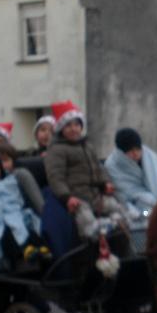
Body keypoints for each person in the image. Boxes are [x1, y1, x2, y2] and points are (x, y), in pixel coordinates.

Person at [44, 100, 124, 240]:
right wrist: (67, 197)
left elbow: (98, 167)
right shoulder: (57, 150)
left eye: (76, 124)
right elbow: (55, 177)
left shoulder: (87, 145)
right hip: (77, 197)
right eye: (68, 125)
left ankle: (118, 231)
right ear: (61, 129)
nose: (73, 129)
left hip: (95, 195)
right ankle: (94, 240)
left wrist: (106, 183)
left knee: (117, 207)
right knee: (86, 219)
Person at [105, 128, 157, 216]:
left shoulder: (149, 155)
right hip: (138, 210)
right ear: (121, 152)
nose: (136, 153)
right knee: (147, 214)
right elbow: (123, 193)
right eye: (131, 151)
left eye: (138, 149)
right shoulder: (112, 165)